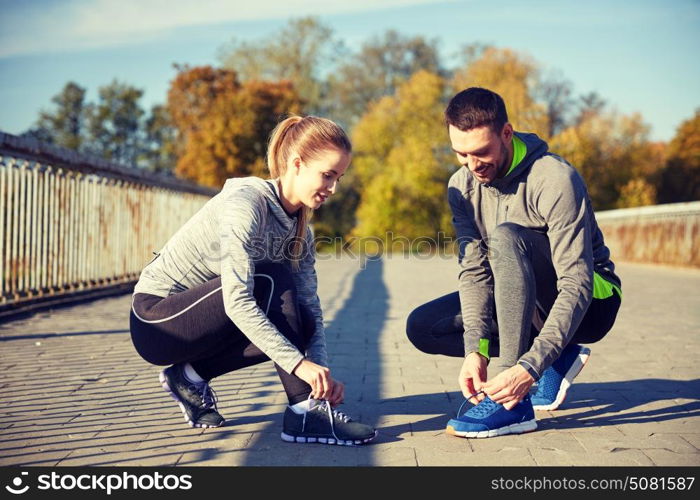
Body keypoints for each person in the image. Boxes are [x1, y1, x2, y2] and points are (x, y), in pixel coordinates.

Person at [129, 115, 376, 445]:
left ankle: (188, 377)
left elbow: (310, 309)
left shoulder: (302, 228)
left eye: (339, 177)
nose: (333, 188)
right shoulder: (245, 204)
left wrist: (321, 375)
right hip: (157, 321)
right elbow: (237, 301)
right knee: (272, 278)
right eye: (328, 175)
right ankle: (303, 412)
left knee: (299, 317)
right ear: (297, 164)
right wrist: (300, 366)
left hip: (208, 324)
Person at [406, 88, 622, 438]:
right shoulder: (461, 186)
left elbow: (577, 282)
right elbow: (475, 273)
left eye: (481, 152)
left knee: (507, 237)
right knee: (424, 326)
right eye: (460, 153)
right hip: (525, 301)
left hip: (592, 303)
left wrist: (526, 368)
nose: (472, 165)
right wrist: (475, 349)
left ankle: (514, 403)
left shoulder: (554, 179)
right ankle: (553, 355)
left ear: (506, 133)